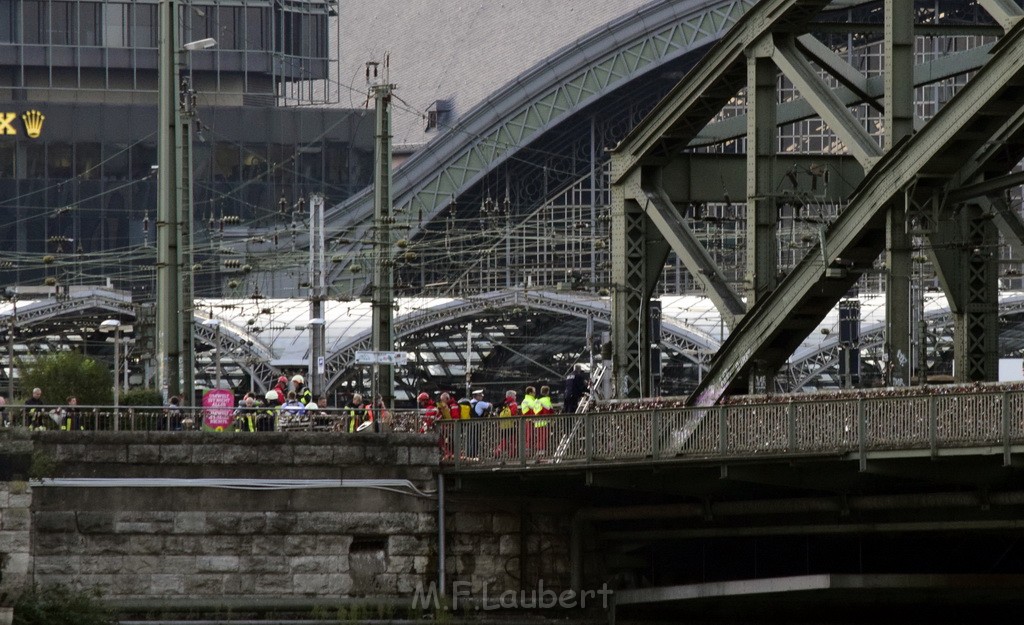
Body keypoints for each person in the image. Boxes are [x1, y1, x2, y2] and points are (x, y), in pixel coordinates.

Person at [495, 390, 519, 460]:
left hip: (503, 424)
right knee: (512, 440)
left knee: (504, 439)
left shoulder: (504, 402)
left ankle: (497, 452)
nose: (515, 397)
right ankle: (512, 455)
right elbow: (513, 413)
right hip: (510, 424)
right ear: (512, 396)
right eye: (515, 395)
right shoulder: (513, 403)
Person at [533, 384, 554, 456]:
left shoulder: (536, 400)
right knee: (544, 437)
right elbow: (549, 411)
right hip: (545, 422)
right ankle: (542, 451)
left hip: (537, 422)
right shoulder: (546, 400)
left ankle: (538, 450)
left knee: (539, 437)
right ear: (547, 392)